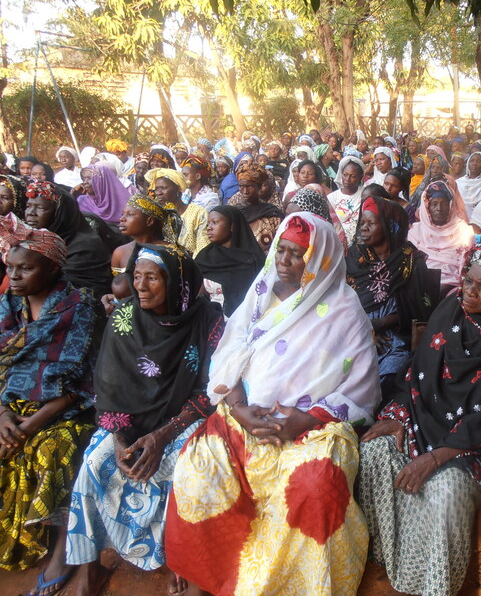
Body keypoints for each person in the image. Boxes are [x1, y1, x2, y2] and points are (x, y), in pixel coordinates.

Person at [164, 213, 379, 596]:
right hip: (245, 415)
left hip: (312, 428)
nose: (283, 260)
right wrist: (238, 404)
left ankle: (284, 586)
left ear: (320, 262)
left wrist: (304, 420)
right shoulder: (260, 291)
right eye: (280, 249)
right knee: (198, 469)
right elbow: (229, 352)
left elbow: (361, 387)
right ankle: (204, 575)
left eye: (297, 255)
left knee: (314, 487)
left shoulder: (346, 312)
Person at [358, 241, 481, 596]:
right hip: (423, 422)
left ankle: (433, 586)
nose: (470, 292)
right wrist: (400, 415)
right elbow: (418, 373)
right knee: (374, 453)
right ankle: (389, 564)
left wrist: (438, 455)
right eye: (468, 281)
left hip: (474, 449)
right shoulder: (450, 311)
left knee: (448, 490)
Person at [65, 243, 223, 595]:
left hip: (182, 417)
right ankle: (87, 570)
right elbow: (106, 382)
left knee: (189, 469)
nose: (140, 286)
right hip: (126, 420)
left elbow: (209, 392)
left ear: (177, 284)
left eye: (152, 278)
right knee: (93, 463)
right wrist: (120, 438)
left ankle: (178, 558)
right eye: (136, 277)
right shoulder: (123, 318)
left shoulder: (207, 322)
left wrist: (164, 435)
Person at [0, 218, 99, 594]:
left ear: (53, 268)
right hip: (10, 406)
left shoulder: (80, 306)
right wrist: (4, 415)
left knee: (54, 450)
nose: (16, 276)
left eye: (26, 268)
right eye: (11, 268)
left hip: (65, 410)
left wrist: (28, 426)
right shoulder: (8, 305)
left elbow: (81, 383)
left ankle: (63, 547)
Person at [346, 196, 439, 395]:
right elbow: (342, 302)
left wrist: (379, 324)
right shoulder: (354, 257)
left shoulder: (411, 262)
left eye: (371, 223)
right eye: (362, 222)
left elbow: (419, 310)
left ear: (390, 226)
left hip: (396, 336)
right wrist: (366, 328)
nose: (363, 228)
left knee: (390, 376)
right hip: (353, 331)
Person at [25, 181, 113, 297]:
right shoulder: (33, 240)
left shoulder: (84, 247)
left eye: (40, 208)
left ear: (60, 214)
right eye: (28, 206)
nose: (31, 213)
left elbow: (74, 292)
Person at [195, 204, 265, 317]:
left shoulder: (253, 260)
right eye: (208, 223)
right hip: (211, 321)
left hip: (246, 319)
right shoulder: (204, 257)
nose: (209, 227)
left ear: (232, 226)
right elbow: (198, 295)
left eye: (215, 222)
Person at [408, 181, 474, 292]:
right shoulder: (416, 232)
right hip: (420, 287)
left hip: (453, 288)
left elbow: (466, 268)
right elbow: (411, 267)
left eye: (444, 204)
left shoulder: (464, 230)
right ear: (427, 207)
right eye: (434, 204)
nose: (439, 208)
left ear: (451, 206)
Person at [146, 168, 209, 257]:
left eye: (164, 188)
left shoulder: (198, 213)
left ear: (177, 189)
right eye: (156, 189)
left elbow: (202, 248)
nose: (159, 193)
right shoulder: (157, 215)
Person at [229, 163, 284, 253]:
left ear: (258, 187)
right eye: (241, 186)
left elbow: (279, 243)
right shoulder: (233, 213)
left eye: (250, 186)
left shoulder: (272, 214)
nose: (245, 191)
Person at [455, 152, 481, 217]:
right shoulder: (458, 183)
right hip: (461, 222)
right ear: (468, 163)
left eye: (479, 161)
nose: (474, 164)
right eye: (472, 161)